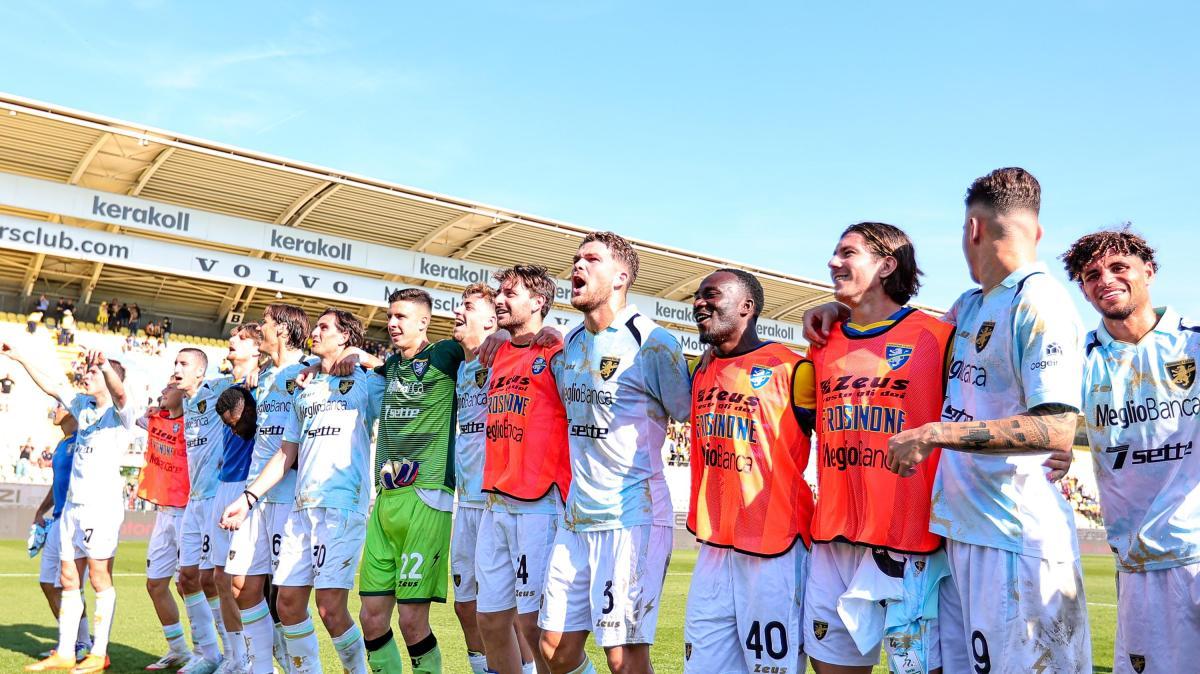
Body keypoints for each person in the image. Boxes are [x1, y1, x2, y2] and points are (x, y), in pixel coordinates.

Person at [808, 168, 1089, 672]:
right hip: (967, 532)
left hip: (1016, 538)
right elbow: (893, 327)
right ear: (1038, 231)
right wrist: (837, 307)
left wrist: (936, 433)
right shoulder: (971, 305)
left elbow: (1056, 429)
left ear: (973, 230)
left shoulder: (1040, 300)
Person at [801, 223, 954, 674]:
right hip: (834, 537)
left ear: (887, 264)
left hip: (908, 543)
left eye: (847, 253)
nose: (833, 262)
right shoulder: (823, 342)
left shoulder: (938, 337)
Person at [537, 231, 692, 674]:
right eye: (575, 259)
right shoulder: (571, 344)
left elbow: (688, 414)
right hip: (577, 516)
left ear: (621, 275)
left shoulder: (653, 342)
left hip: (632, 516)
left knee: (624, 658)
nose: (577, 267)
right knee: (553, 649)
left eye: (591, 259)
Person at [1061, 228, 1200, 674]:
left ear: (1149, 272)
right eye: (1091, 274)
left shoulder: (1194, 342)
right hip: (1142, 566)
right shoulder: (1077, 360)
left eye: (1118, 267)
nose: (1105, 279)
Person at [222, 309, 383, 674]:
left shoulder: (366, 381)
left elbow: (403, 373)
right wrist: (248, 499)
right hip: (300, 506)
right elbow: (286, 451)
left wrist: (362, 357)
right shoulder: (304, 387)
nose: (316, 331)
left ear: (344, 338)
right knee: (289, 603)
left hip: (341, 504)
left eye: (325, 327)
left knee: (329, 607)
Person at [683, 269, 814, 674]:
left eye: (712, 295)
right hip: (715, 547)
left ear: (746, 306)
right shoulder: (699, 371)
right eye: (698, 295)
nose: (700, 303)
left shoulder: (794, 370)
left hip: (775, 548)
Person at [3, 345, 142, 674]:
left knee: (98, 578)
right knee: (67, 579)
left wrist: (105, 367)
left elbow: (120, 392)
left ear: (108, 378)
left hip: (101, 509)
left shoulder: (121, 413)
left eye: (94, 372)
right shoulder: (82, 406)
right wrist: (20, 357)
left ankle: (99, 653)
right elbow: (52, 385)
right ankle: (66, 651)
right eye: (89, 370)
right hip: (72, 511)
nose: (87, 375)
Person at [356, 288, 465, 674]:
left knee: (411, 621)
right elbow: (368, 364)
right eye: (391, 316)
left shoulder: (444, 355)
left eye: (402, 316)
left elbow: (481, 344)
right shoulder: (391, 368)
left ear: (424, 322)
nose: (392, 323)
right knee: (370, 618)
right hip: (385, 498)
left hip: (427, 493)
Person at [478, 266, 573, 674]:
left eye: (509, 293)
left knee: (534, 625)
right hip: (495, 501)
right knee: (492, 620)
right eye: (499, 292)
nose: (499, 299)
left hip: (538, 502)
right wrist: (498, 334)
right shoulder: (496, 350)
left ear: (538, 303)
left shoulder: (558, 349)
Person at [222, 303, 310, 674]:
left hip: (286, 495)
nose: (262, 331)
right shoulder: (268, 374)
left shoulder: (307, 372)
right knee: (240, 585)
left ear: (285, 332)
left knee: (288, 601)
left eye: (268, 324)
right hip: (255, 490)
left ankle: (302, 668)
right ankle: (261, 668)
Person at [448, 284, 512, 674]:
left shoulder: (507, 354)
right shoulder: (461, 365)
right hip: (465, 501)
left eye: (467, 307)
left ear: (491, 318)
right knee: (464, 605)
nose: (458, 311)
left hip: (497, 501)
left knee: (504, 610)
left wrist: (503, 335)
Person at [174, 348, 239, 674]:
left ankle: (230, 655)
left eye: (183, 364)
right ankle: (207, 653)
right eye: (175, 363)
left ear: (201, 371)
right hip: (193, 500)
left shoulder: (217, 388)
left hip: (216, 496)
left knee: (212, 579)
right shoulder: (184, 399)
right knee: (186, 577)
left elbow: (242, 376)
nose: (176, 368)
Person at [207, 324, 264, 674]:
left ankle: (258, 657)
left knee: (242, 582)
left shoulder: (264, 380)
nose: (232, 341)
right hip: (223, 483)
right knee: (219, 579)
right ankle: (236, 657)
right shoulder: (226, 386)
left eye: (241, 339)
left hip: (249, 484)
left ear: (258, 349)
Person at [139, 381, 194, 670]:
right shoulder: (152, 419)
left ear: (183, 395)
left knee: (189, 585)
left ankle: (206, 650)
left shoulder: (197, 423)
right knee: (155, 584)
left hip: (188, 512)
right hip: (163, 513)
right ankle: (178, 649)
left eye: (168, 389)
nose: (162, 393)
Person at [30, 404, 91, 663]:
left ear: (72, 411)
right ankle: (69, 639)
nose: (53, 410)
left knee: (71, 584)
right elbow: (56, 483)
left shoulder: (84, 439)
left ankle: (84, 643)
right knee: (47, 583)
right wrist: (41, 510)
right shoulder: (61, 443)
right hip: (56, 520)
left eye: (58, 406)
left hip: (76, 520)